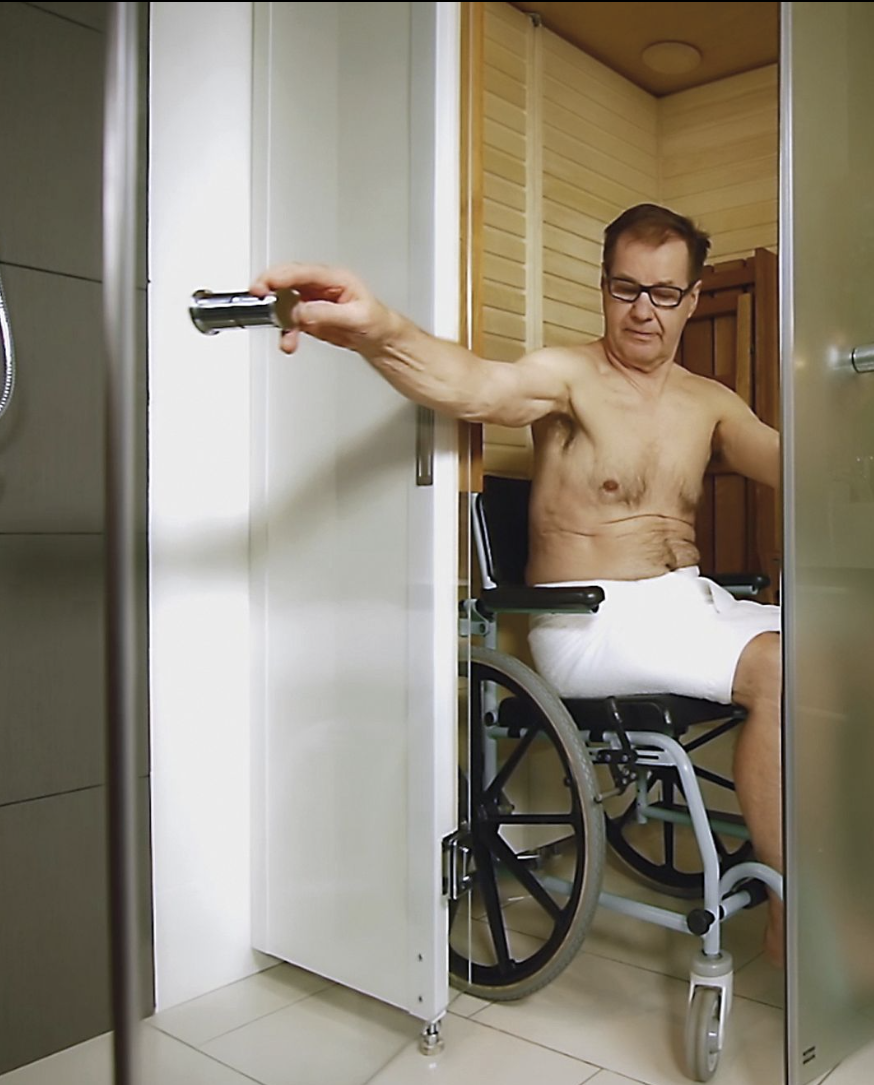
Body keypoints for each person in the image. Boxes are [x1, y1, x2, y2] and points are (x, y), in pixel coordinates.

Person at [253, 203, 785, 964]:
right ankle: (788, 912)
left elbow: (793, 466)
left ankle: (849, 872)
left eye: (664, 293)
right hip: (592, 623)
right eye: (625, 288)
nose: (642, 310)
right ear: (603, 288)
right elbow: (474, 386)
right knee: (778, 668)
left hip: (689, 606)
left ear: (693, 298)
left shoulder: (710, 401)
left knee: (865, 648)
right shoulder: (568, 379)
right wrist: (378, 328)